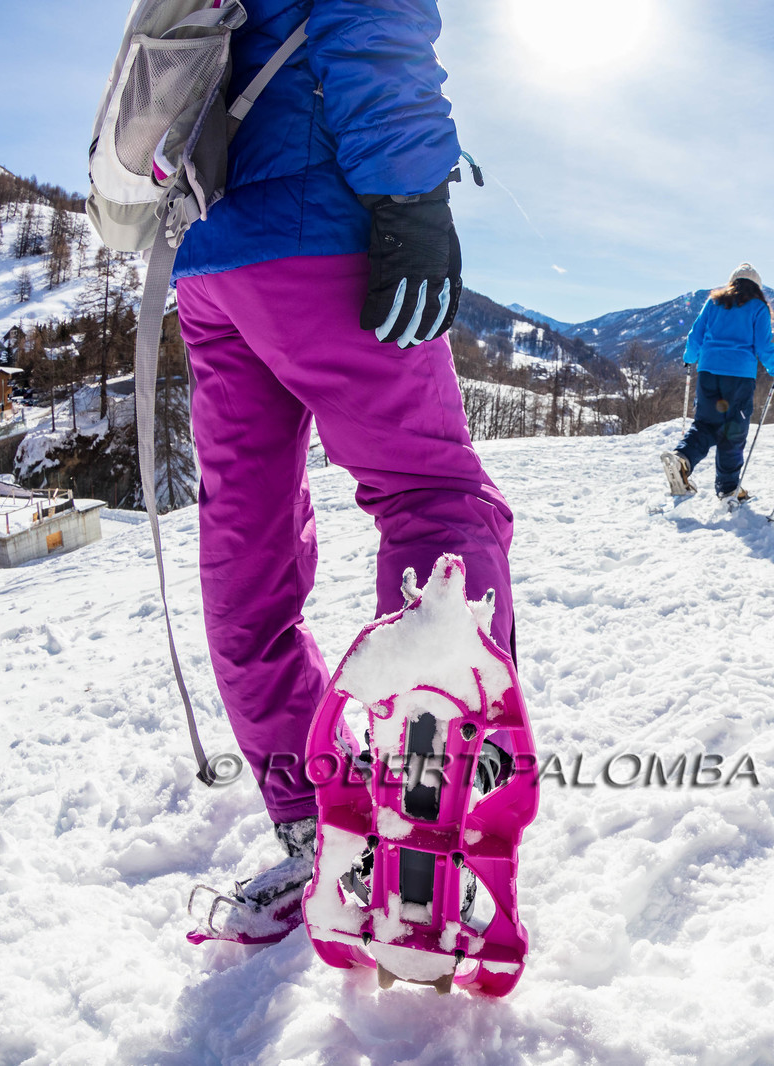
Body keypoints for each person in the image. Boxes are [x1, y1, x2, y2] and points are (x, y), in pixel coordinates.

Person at [173, 0, 514, 941]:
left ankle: (309, 813)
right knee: (431, 494)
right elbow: (371, 19)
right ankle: (428, 816)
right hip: (320, 222)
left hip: (208, 260)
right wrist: (411, 195)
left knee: (248, 544)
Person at [660, 264, 774, 502]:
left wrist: (689, 358)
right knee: (734, 430)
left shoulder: (713, 303)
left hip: (709, 371)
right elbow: (763, 346)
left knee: (706, 424)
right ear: (757, 287)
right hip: (739, 376)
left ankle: (683, 459)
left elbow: (695, 334)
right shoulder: (758, 307)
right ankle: (729, 488)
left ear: (732, 282)